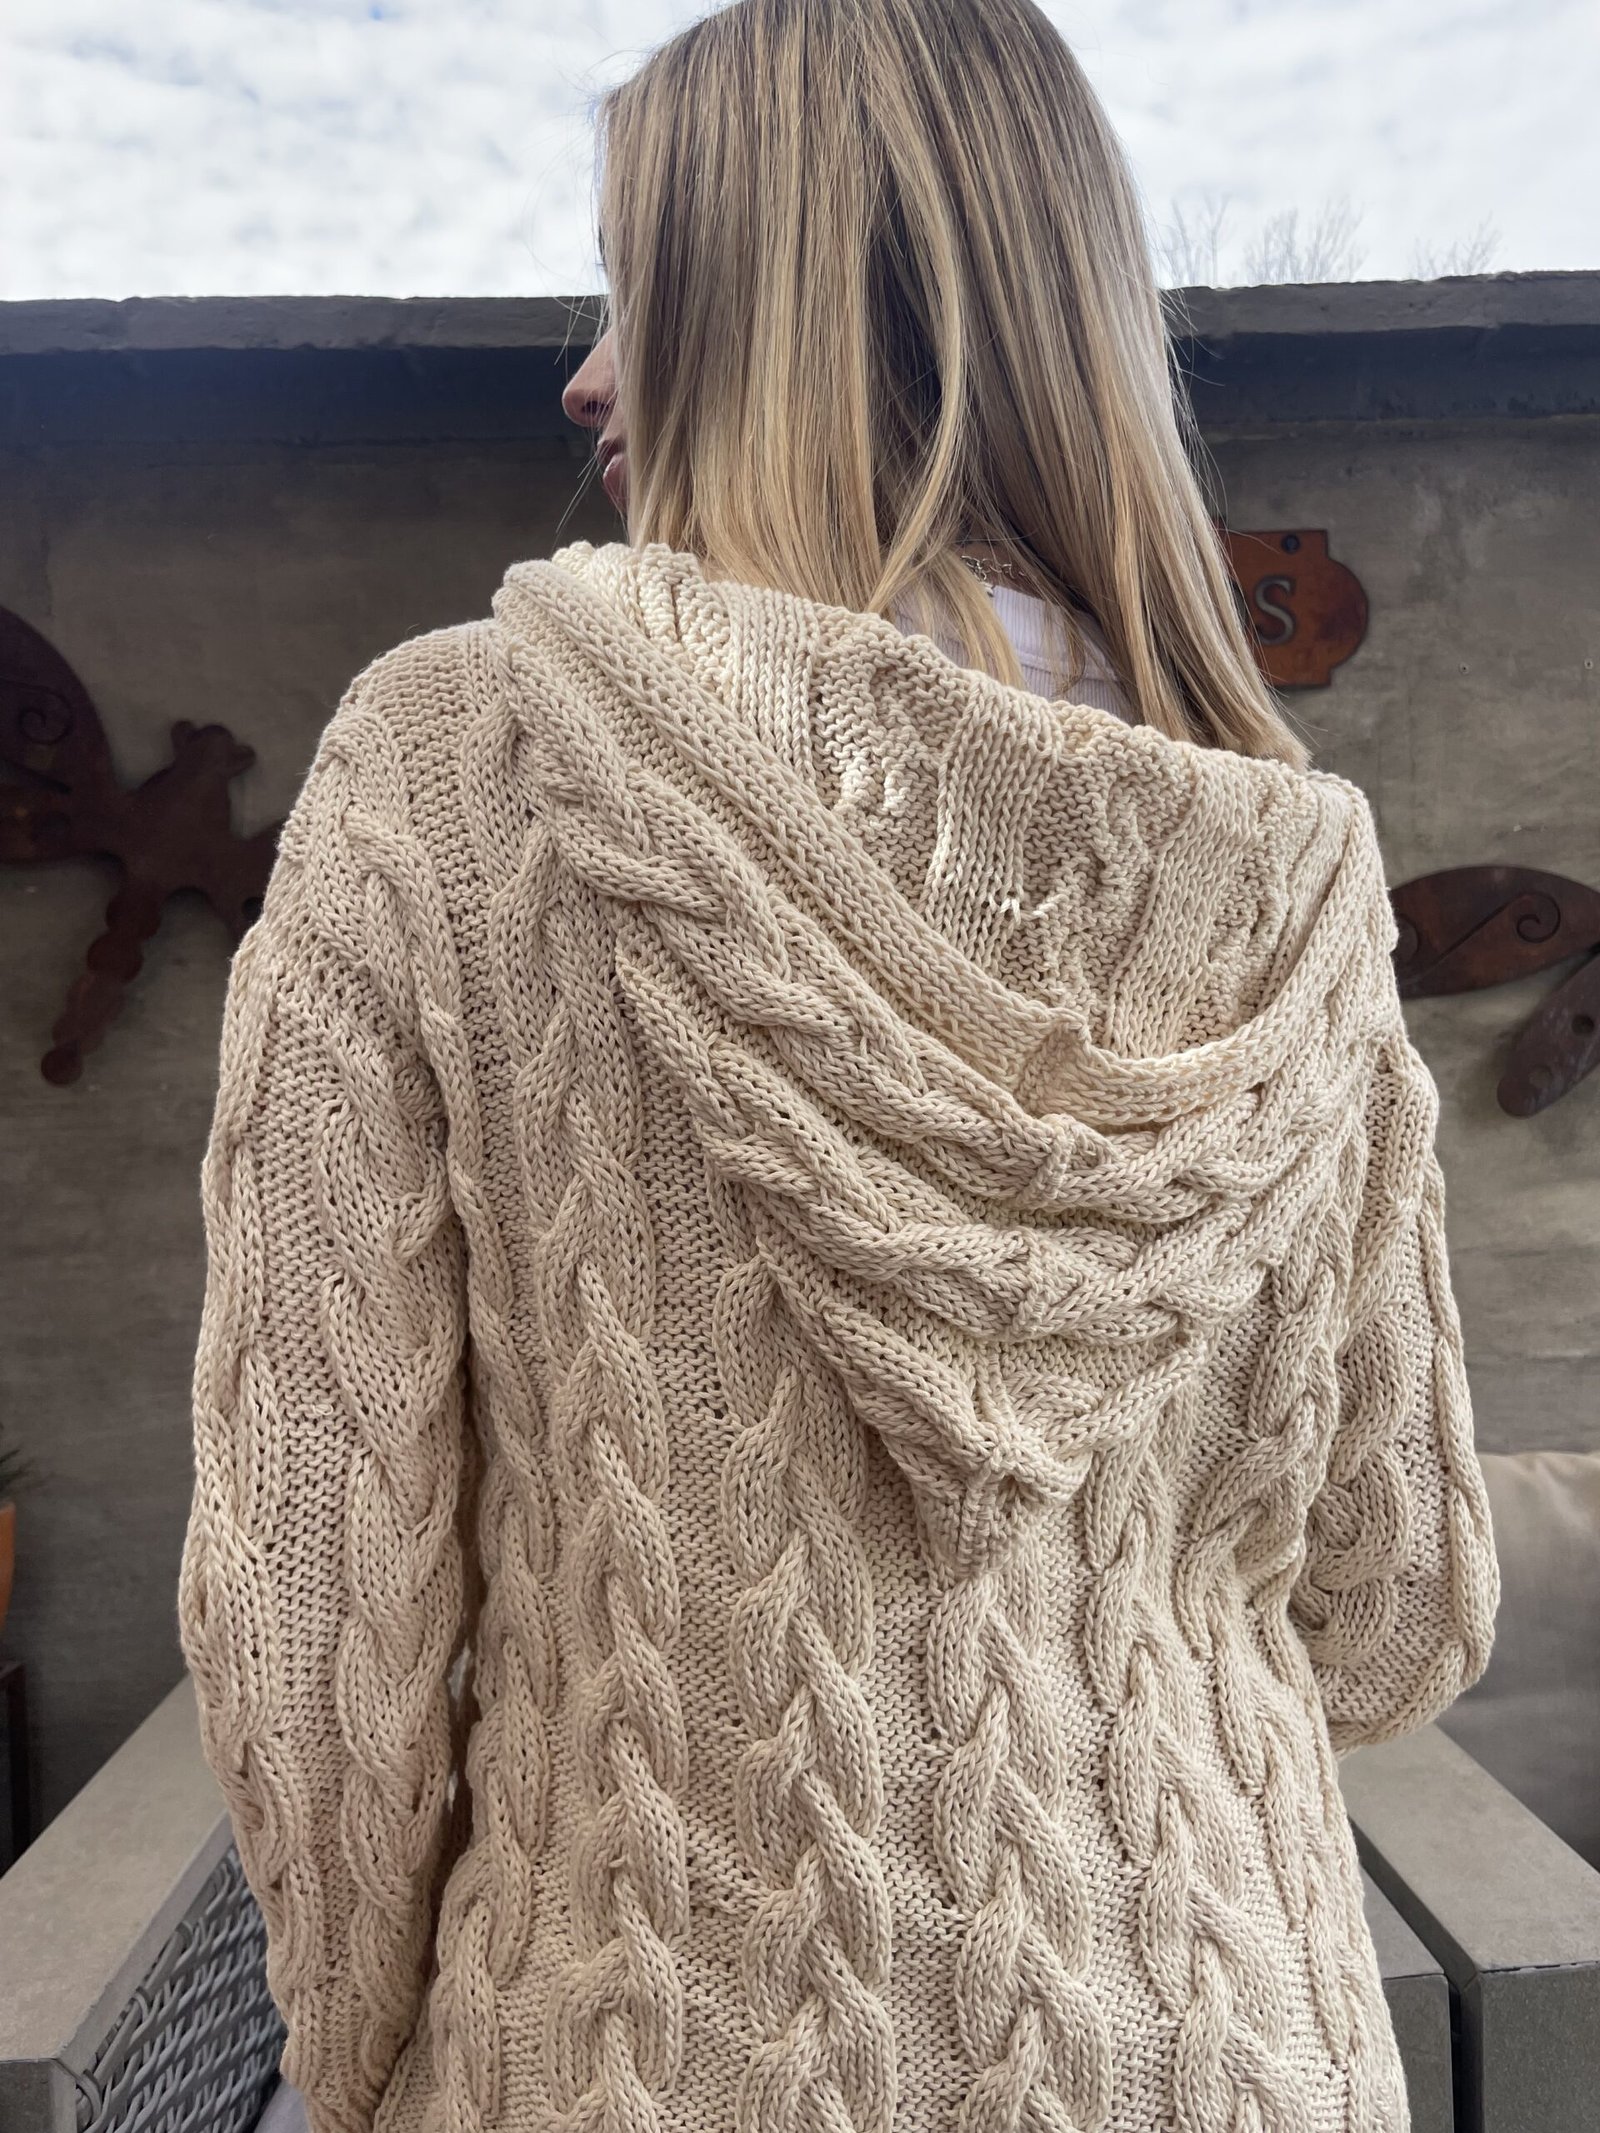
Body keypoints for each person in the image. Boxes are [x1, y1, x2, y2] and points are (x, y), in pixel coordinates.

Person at [178, 4, 1499, 2131]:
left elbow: (312, 1633)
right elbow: (1394, 1599)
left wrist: (365, 2068)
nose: (584, 377)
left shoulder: (442, 772)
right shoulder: (1283, 869)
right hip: (1229, 2049)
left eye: (637, 293)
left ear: (786, 320)